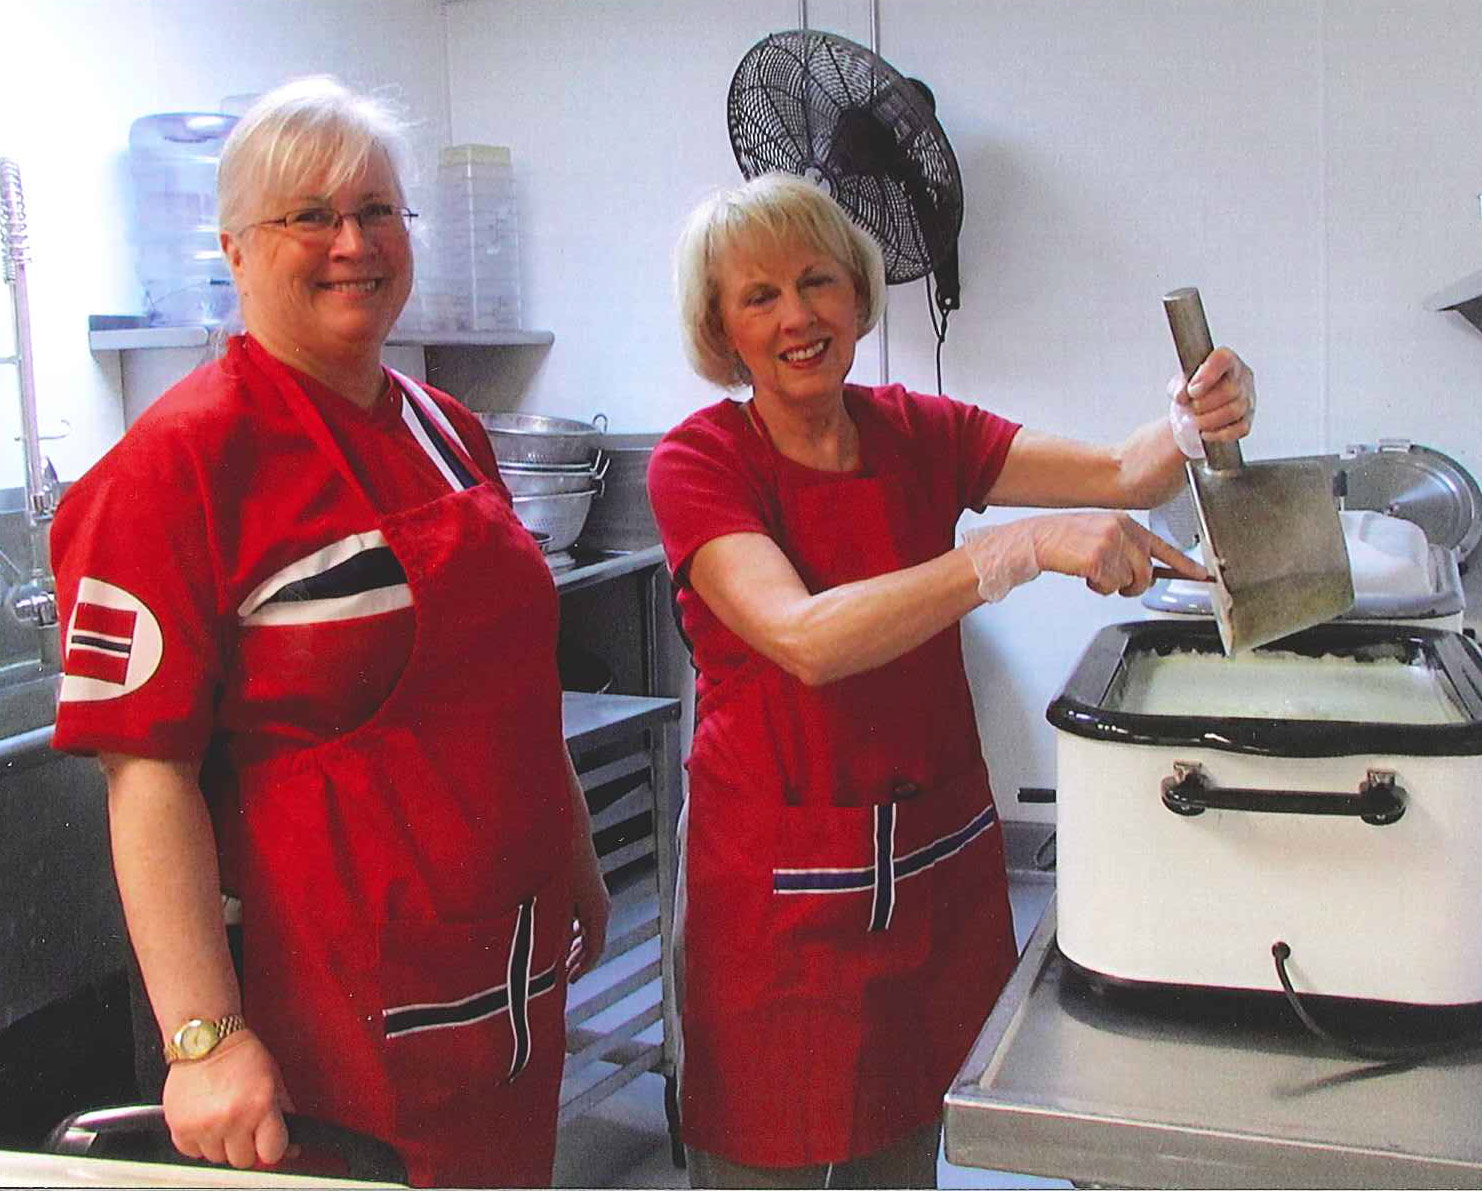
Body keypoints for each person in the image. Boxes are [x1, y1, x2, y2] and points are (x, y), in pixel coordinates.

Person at [49, 76, 609, 1188]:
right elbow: (145, 777)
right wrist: (202, 1041)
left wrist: (577, 863)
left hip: (501, 979)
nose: (351, 242)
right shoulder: (175, 470)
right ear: (235, 250)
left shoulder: (446, 429)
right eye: (307, 216)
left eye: (377, 211)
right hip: (330, 1018)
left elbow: (509, 694)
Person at [646, 172, 1255, 1189]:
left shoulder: (914, 429)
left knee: (903, 1147)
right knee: (768, 1154)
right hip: (779, 894)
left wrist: (1193, 422)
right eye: (760, 297)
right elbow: (803, 639)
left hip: (931, 867)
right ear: (720, 326)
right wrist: (1016, 551)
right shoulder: (698, 463)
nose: (797, 316)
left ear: (856, 291)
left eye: (817, 281)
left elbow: (1117, 474)